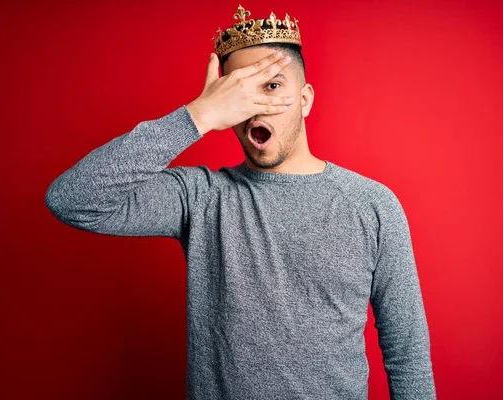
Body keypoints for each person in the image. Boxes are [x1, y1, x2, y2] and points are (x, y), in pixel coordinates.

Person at [44, 5, 436, 400]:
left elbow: (408, 354)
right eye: (239, 93)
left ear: (305, 99)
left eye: (271, 86)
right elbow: (72, 199)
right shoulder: (200, 197)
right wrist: (198, 114)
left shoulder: (372, 205)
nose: (255, 108)